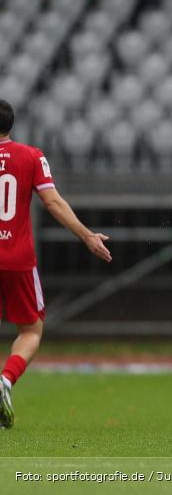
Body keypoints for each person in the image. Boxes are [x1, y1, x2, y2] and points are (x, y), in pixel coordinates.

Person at [0, 99, 112, 428]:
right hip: (18, 257)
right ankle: (5, 380)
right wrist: (87, 236)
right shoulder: (31, 155)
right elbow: (53, 202)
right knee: (31, 329)